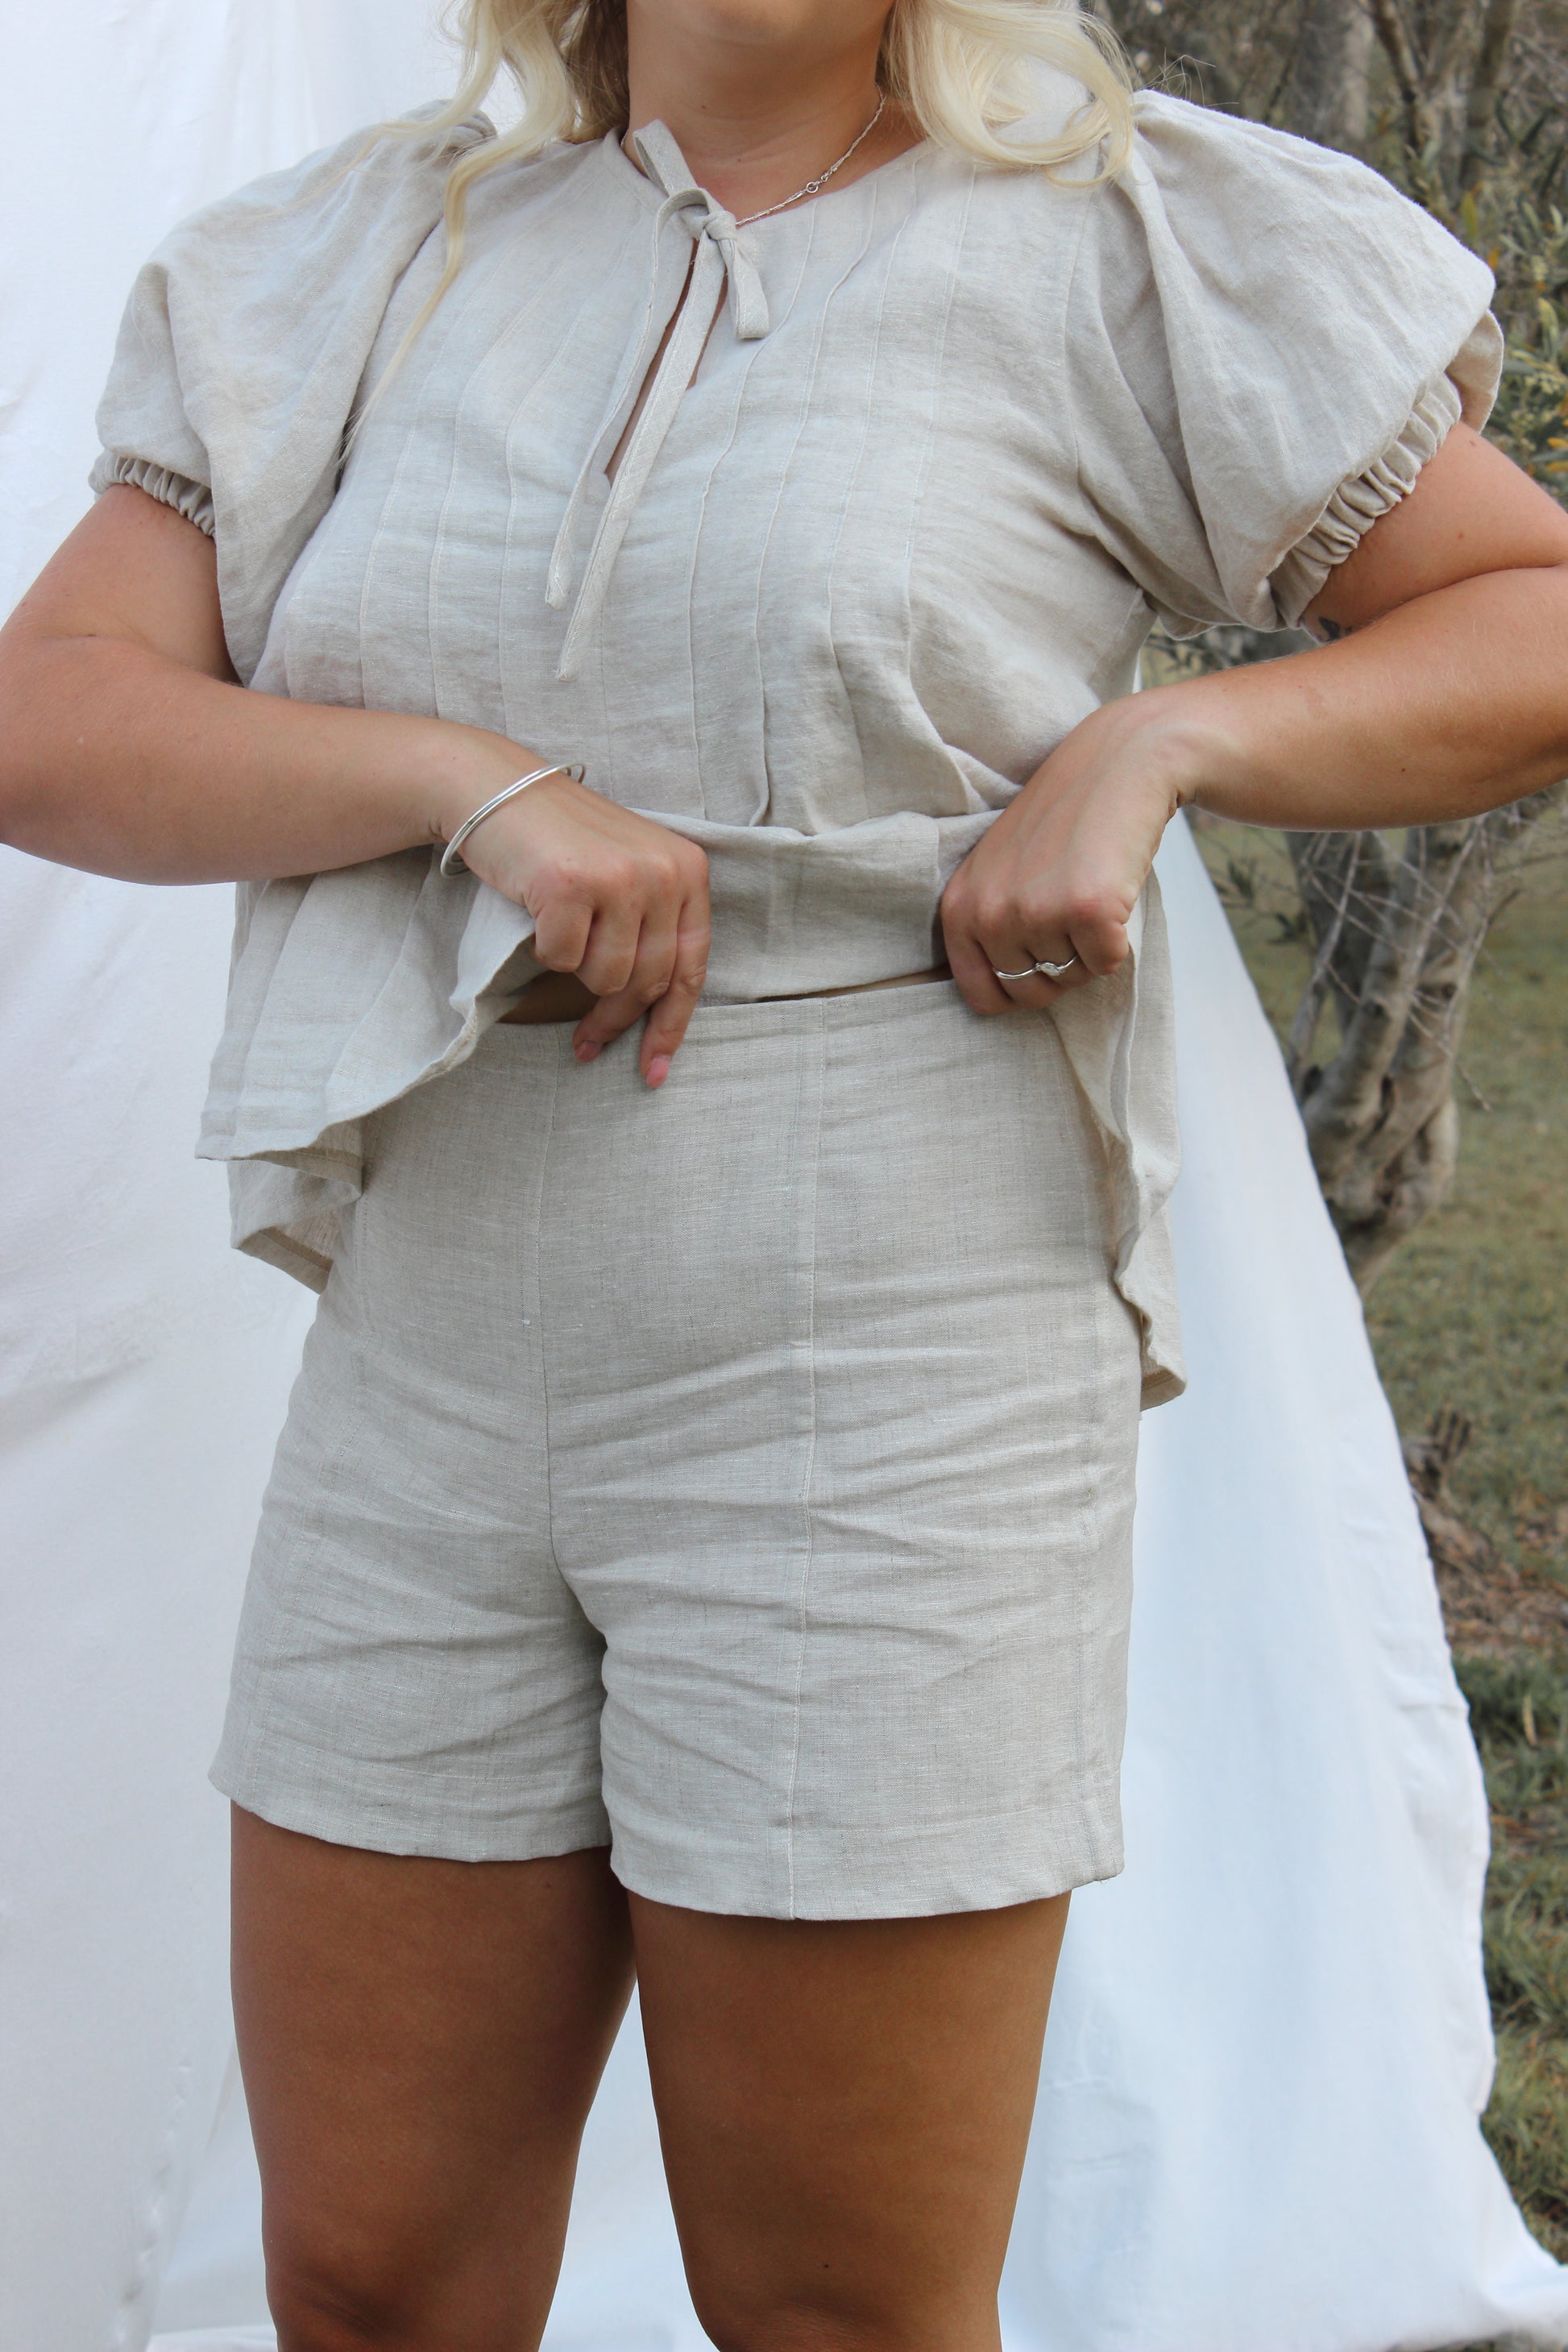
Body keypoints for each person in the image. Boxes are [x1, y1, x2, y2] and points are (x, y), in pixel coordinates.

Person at [2, 0, 1566, 2337]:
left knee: (837, 2313)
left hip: (890, 1341)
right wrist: (467, 787)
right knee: (365, 2285)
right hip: (431, 1345)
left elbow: (1531, 615)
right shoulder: (361, 253)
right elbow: (53, 709)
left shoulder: (1116, 233)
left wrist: (1162, 745)